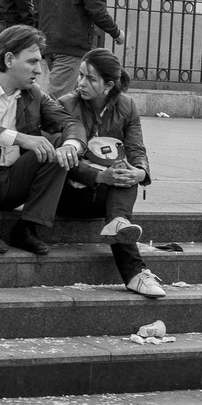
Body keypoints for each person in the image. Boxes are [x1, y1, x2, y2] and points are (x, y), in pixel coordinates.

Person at [0, 24, 85, 255]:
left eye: (40, 62)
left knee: (58, 145)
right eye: (32, 62)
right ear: (9, 59)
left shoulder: (35, 95)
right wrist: (19, 138)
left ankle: (27, 229)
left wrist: (71, 146)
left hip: (13, 182)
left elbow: (71, 123)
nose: (40, 70)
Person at [57, 49, 164, 297]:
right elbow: (60, 157)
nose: (81, 83)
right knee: (117, 183)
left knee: (126, 176)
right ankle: (136, 272)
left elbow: (137, 149)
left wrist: (140, 172)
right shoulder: (65, 105)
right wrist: (97, 176)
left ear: (109, 86)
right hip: (68, 194)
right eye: (81, 75)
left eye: (91, 79)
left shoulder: (126, 107)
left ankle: (118, 225)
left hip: (105, 195)